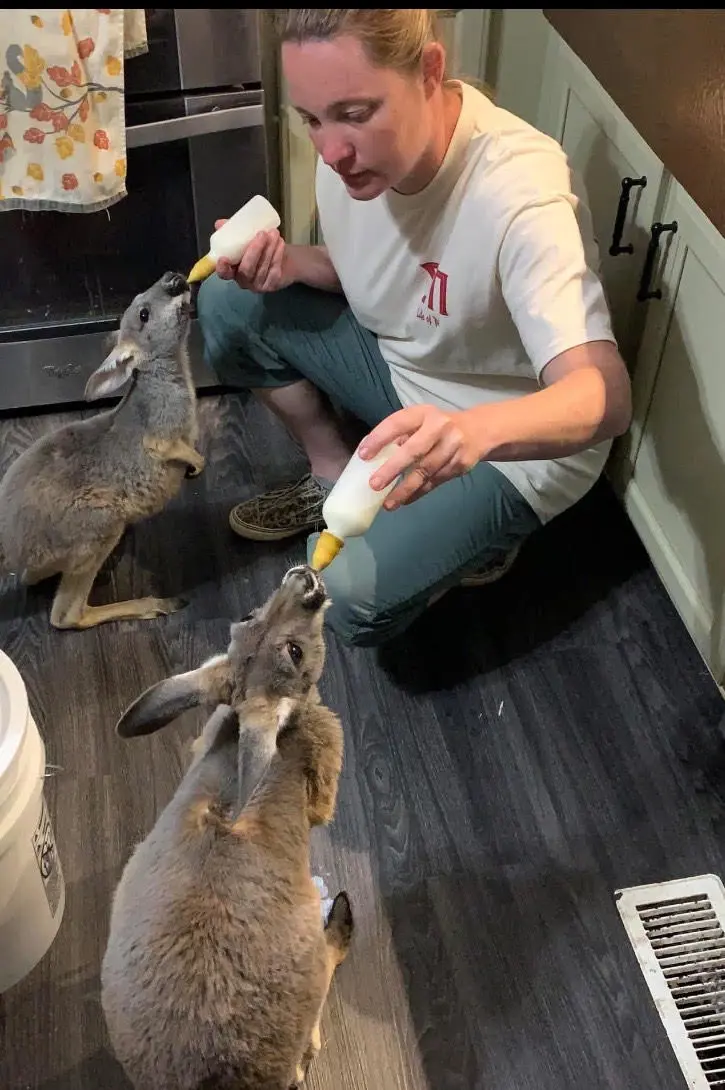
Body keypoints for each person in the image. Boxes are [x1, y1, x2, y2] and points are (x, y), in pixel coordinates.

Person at [196, 9, 632, 648]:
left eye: (354, 113)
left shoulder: (520, 193)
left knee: (341, 596)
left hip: (506, 433)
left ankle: (482, 537)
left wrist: (471, 433)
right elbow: (371, 275)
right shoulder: (351, 159)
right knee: (228, 305)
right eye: (312, 119)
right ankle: (330, 476)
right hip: (404, 368)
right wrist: (288, 265)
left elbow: (605, 396)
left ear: (430, 71)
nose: (331, 150)